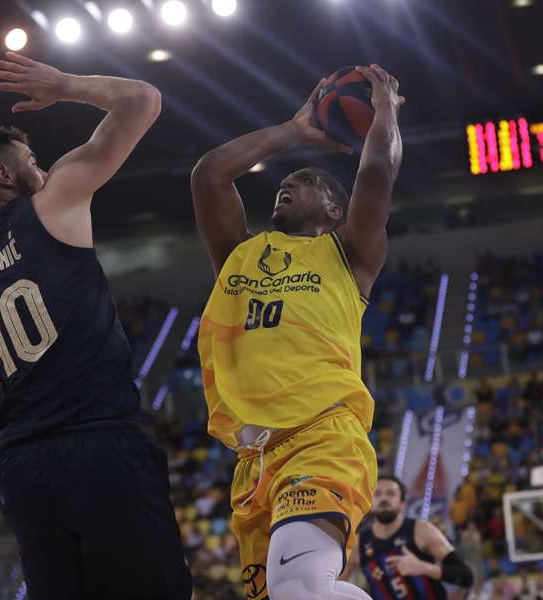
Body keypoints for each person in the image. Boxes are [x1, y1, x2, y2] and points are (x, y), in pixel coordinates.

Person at [0, 51, 192, 599]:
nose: (41, 167)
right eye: (31, 158)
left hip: (25, 467)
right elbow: (142, 100)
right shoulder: (52, 202)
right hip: (101, 444)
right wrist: (64, 84)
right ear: (6, 174)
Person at [191, 64, 404, 600]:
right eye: (288, 180)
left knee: (300, 590)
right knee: (304, 594)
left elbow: (377, 169)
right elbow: (210, 175)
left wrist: (385, 111)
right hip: (253, 462)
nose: (288, 181)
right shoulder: (238, 257)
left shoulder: (347, 254)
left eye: (305, 181)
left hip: (323, 438)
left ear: (335, 209)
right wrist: (293, 130)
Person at [343, 476, 474, 599]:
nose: (384, 498)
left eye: (390, 493)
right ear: (370, 504)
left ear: (402, 503)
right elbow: (334, 585)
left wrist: (423, 567)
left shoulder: (422, 530)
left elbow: (466, 576)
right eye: (377, 494)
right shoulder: (359, 542)